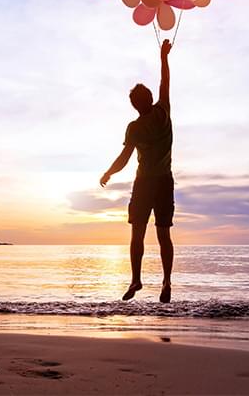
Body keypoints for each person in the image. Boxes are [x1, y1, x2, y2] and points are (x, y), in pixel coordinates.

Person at [100, 39, 174, 303]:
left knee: (137, 233)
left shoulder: (134, 127)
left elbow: (124, 157)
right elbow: (165, 81)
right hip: (164, 182)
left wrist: (108, 173)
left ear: (134, 105)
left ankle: (136, 279)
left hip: (144, 184)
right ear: (151, 99)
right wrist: (163, 56)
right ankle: (166, 281)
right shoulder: (163, 112)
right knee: (163, 233)